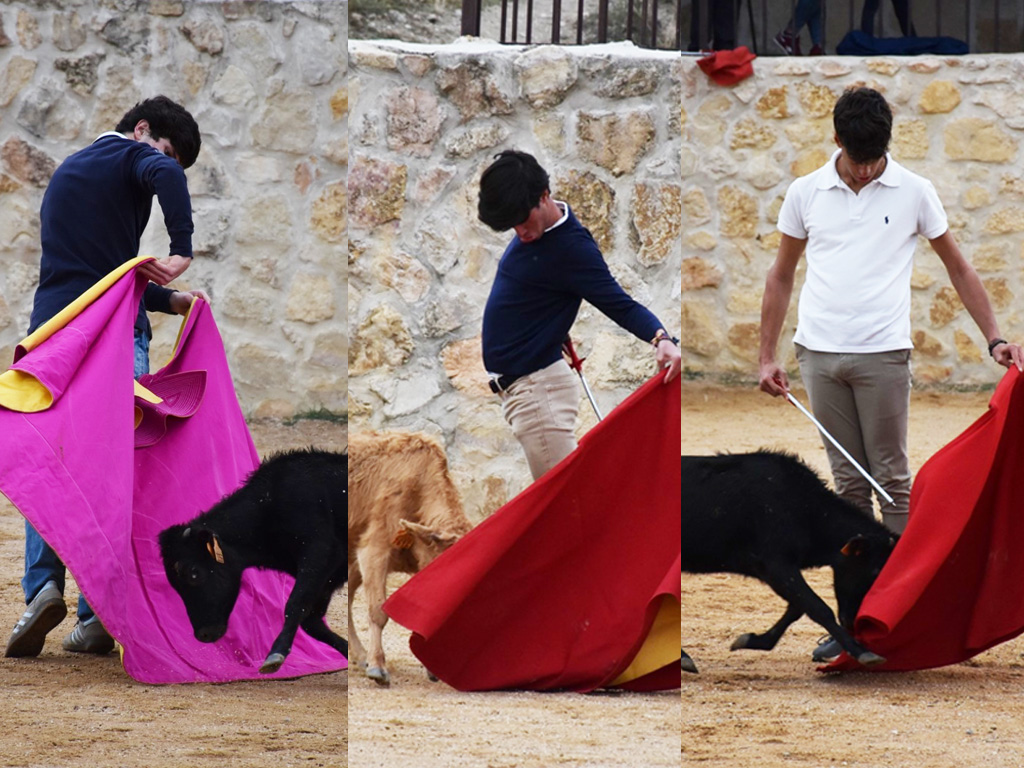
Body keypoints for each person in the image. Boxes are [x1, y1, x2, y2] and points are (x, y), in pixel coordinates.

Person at [759, 87, 1024, 661]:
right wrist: (766, 355)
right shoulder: (806, 191)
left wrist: (995, 338)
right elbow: (780, 275)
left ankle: (905, 615)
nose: (866, 167)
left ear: (886, 143)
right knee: (849, 488)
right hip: (819, 356)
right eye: (858, 157)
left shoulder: (915, 191)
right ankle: (853, 625)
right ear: (836, 142)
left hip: (884, 355)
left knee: (891, 481)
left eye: (875, 156)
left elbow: (958, 264)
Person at [5, 96, 207, 660]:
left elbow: (95, 273)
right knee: (114, 469)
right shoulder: (131, 159)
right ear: (140, 130)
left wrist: (167, 299)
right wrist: (181, 249)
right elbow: (161, 169)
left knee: (51, 465)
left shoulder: (71, 171)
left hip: (53, 338)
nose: (161, 169)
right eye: (163, 149)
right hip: (112, 341)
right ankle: (98, 615)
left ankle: (42, 589)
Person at [478, 149, 681, 482]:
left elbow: (620, 303)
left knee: (567, 510)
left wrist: (662, 338)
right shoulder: (537, 232)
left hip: (537, 393)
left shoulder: (572, 248)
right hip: (530, 390)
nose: (520, 232)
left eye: (523, 219)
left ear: (544, 195)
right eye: (512, 225)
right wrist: (549, 328)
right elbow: (537, 295)